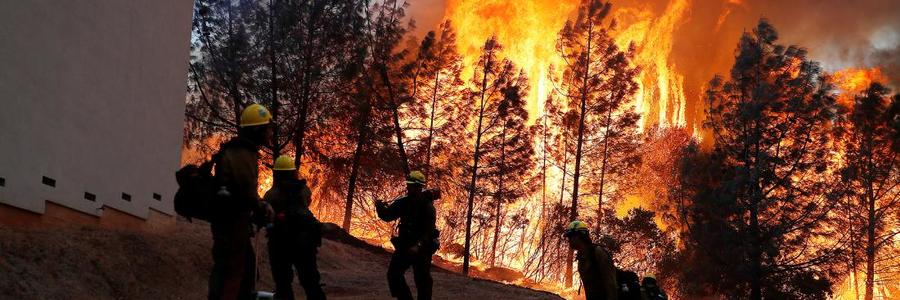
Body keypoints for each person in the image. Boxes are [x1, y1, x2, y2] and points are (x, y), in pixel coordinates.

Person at [208, 103, 275, 300]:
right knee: (232, 275)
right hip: (231, 224)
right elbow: (246, 190)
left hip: (233, 223)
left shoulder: (243, 151)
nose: (270, 133)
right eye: (268, 128)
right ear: (257, 129)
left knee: (245, 274)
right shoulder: (242, 153)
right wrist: (261, 207)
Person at [262, 155, 326, 300]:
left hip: (280, 243)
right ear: (293, 172)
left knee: (283, 283)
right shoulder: (304, 190)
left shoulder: (270, 195)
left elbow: (266, 215)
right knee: (311, 282)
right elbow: (307, 203)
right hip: (305, 241)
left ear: (276, 174)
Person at [375, 171, 441, 300]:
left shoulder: (428, 207)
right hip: (405, 245)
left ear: (419, 186)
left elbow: (428, 232)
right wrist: (380, 207)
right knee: (394, 274)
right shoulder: (404, 202)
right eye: (408, 184)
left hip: (422, 249)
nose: (409, 187)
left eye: (412, 185)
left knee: (422, 280)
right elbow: (387, 215)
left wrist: (418, 246)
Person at [564, 220, 618, 300]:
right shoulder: (581, 257)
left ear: (577, 236)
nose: (568, 240)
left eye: (570, 237)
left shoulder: (598, 252)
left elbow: (611, 284)